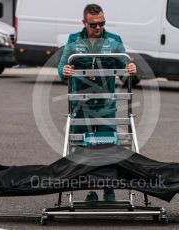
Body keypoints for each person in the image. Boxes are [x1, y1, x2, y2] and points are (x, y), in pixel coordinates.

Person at [58, 4, 137, 202]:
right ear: (84, 23)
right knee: (82, 147)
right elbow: (62, 66)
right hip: (80, 106)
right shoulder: (73, 40)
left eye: (102, 23)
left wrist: (131, 68)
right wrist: (64, 71)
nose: (99, 27)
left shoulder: (114, 41)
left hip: (106, 105)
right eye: (94, 24)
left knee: (108, 146)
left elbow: (125, 68)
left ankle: (108, 188)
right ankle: (89, 189)